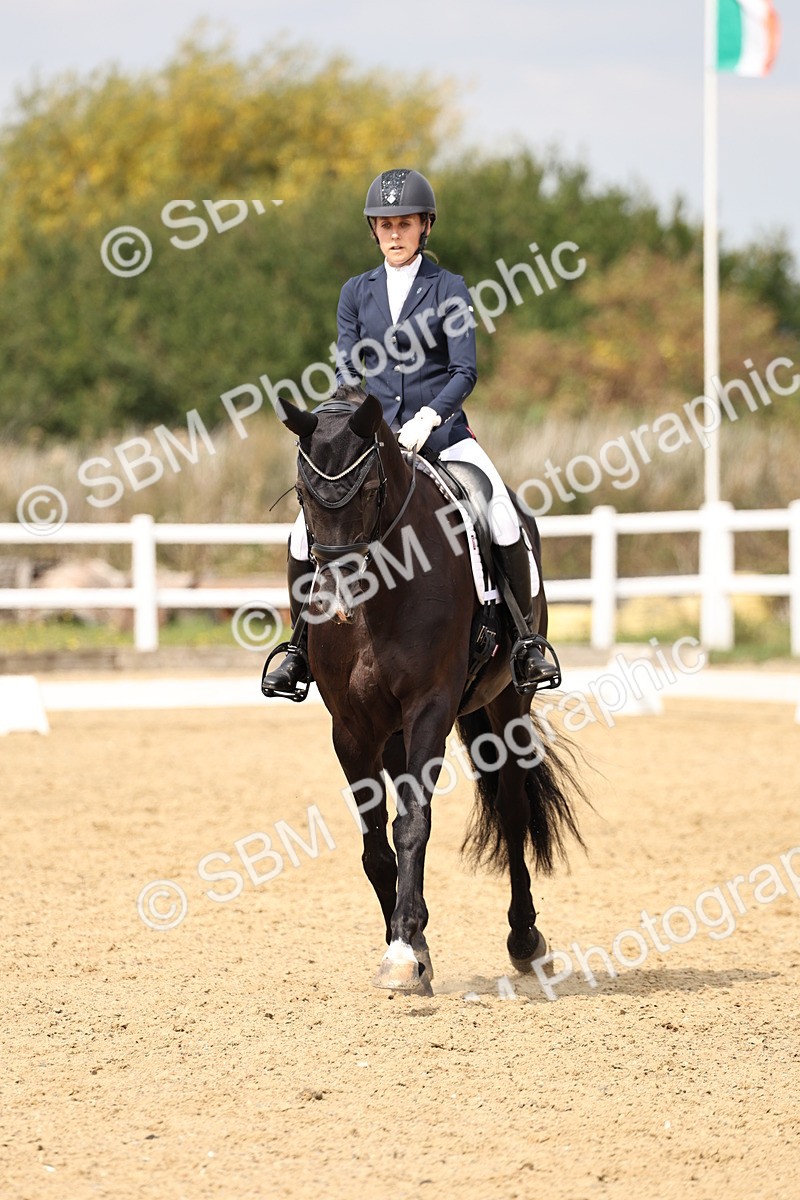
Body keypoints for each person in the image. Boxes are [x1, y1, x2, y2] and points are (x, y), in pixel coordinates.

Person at [263, 167, 560, 699]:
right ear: (373, 230)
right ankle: (298, 649)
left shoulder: (449, 289)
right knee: (301, 533)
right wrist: (353, 423)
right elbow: (348, 373)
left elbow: (463, 371)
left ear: (425, 226)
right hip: (373, 441)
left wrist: (429, 418)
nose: (394, 234)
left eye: (405, 223)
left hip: (442, 434)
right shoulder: (356, 292)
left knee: (501, 512)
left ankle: (526, 642)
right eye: (384, 224)